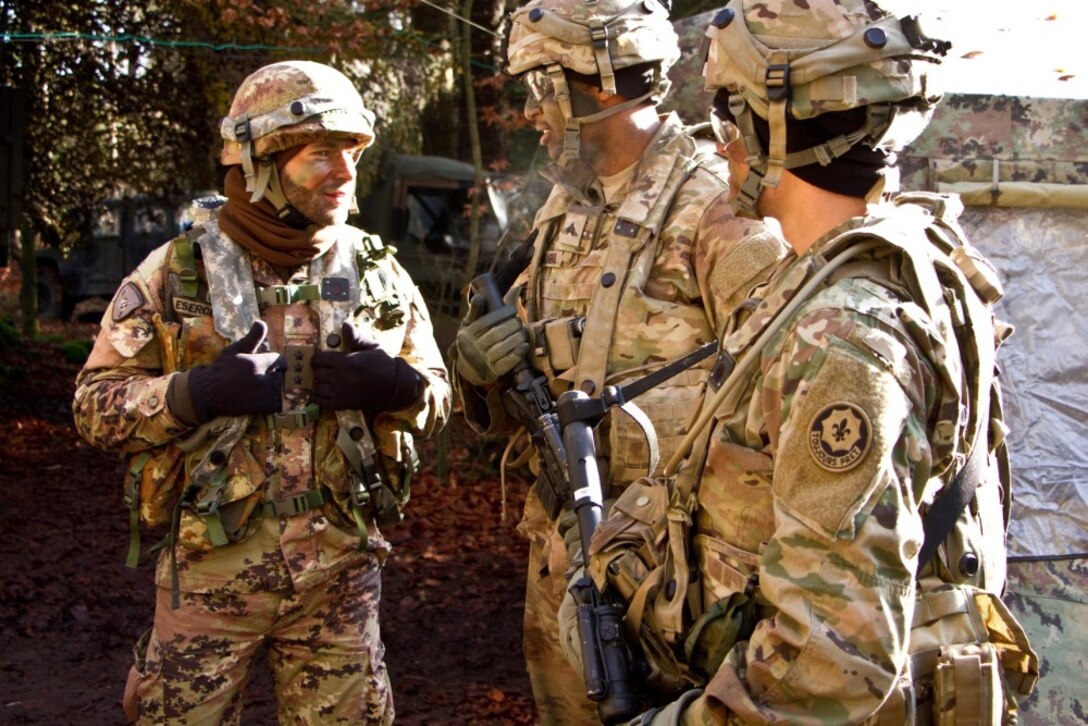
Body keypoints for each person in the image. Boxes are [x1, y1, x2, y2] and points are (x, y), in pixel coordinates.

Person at [564, 1, 1040, 722]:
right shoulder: (893, 265)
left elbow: (825, 667)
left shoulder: (842, 338)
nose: (721, 145)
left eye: (733, 117)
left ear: (774, 128)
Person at [73, 60, 450, 724]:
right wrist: (197, 393)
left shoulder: (378, 274)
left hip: (341, 577)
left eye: (352, 153)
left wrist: (400, 386)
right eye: (319, 153)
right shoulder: (175, 274)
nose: (343, 172)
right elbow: (94, 407)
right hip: (209, 579)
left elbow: (439, 398)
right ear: (260, 163)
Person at [450, 1, 787, 722]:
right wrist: (478, 376)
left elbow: (786, 395)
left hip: (673, 586)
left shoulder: (718, 208)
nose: (531, 111)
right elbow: (515, 398)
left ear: (598, 84)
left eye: (541, 86)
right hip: (562, 563)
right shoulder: (560, 213)